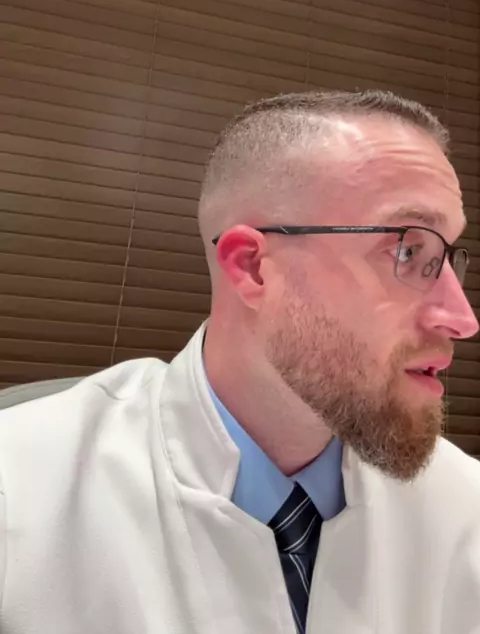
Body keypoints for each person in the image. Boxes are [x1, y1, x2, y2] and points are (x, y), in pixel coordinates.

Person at [0, 88, 479, 634]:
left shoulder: (464, 511)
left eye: (448, 257)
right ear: (253, 268)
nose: (461, 318)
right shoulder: (21, 495)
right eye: (408, 251)